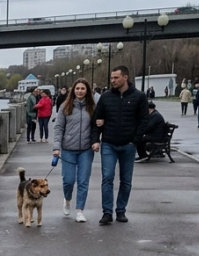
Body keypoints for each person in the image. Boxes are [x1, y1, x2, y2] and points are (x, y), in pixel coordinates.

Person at [93, 65, 149, 225]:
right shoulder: (106, 97)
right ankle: (107, 212)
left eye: (116, 78)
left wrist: (135, 140)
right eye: (111, 78)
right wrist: (96, 139)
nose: (113, 81)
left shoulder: (139, 97)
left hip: (128, 145)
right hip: (109, 143)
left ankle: (121, 210)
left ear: (125, 77)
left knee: (126, 180)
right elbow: (97, 120)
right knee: (107, 178)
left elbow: (144, 120)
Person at [52, 78, 99, 222]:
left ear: (87, 91)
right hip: (68, 149)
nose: (80, 91)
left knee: (83, 181)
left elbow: (96, 127)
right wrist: (56, 147)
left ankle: (79, 211)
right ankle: (67, 199)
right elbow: (59, 127)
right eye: (77, 88)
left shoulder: (92, 107)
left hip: (86, 149)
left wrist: (96, 141)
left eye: (83, 89)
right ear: (73, 90)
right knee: (69, 180)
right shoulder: (65, 106)